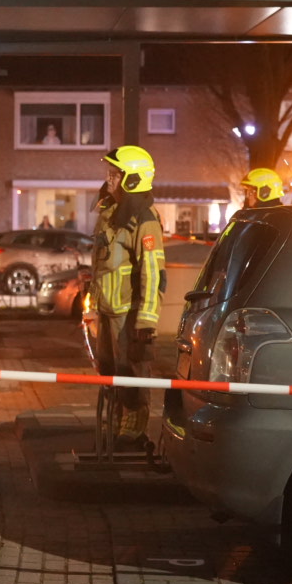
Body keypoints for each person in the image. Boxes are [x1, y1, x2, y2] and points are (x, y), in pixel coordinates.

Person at [90, 145, 165, 449]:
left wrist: (146, 319)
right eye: (110, 173)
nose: (109, 179)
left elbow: (153, 271)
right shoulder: (109, 212)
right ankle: (117, 420)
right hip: (108, 309)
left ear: (132, 179)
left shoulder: (144, 219)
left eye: (116, 174)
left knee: (131, 367)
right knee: (108, 367)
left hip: (129, 312)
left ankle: (133, 429)